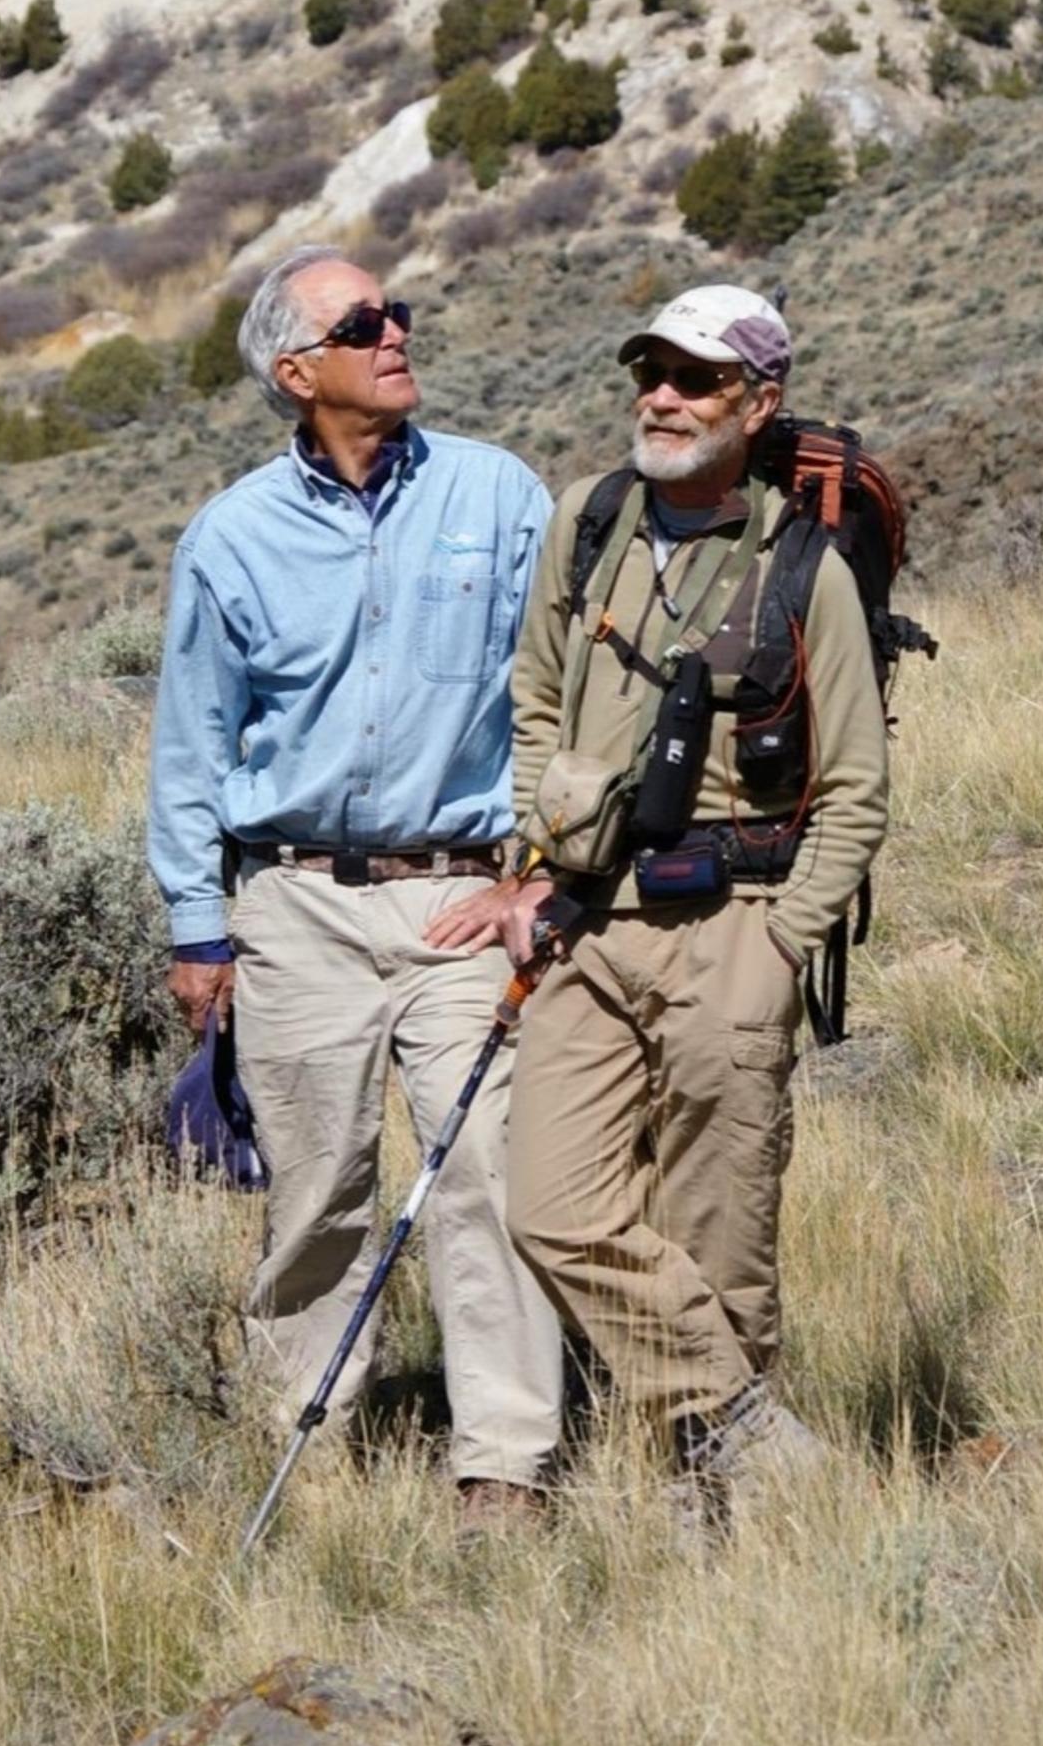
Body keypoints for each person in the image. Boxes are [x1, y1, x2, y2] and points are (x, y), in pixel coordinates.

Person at [147, 245, 562, 1525]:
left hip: (462, 895)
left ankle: (503, 1459)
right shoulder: (230, 538)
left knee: (484, 1161)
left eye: (400, 313)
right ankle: (310, 1430)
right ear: (296, 371)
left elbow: (558, 694)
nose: (399, 334)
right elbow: (191, 741)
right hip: (295, 906)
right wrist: (197, 924)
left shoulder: (501, 497)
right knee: (319, 1181)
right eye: (366, 322)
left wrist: (547, 867)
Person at [491, 284, 890, 1501]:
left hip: (736, 921)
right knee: (550, 1207)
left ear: (757, 403)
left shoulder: (804, 565)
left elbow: (858, 790)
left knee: (725, 1233)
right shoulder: (590, 519)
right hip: (586, 921)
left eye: (695, 377)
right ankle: (746, 1424)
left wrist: (781, 945)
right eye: (650, 370)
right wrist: (529, 864)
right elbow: (535, 705)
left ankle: (714, 1500)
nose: (660, 396)